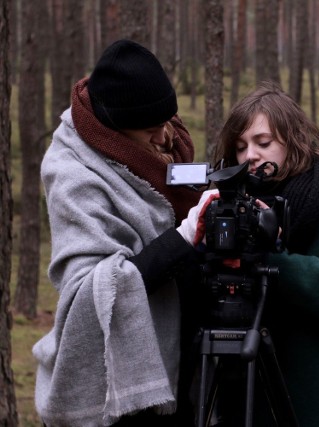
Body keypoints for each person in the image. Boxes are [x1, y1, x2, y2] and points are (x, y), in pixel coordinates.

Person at [32, 39, 214, 426]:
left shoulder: (156, 146)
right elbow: (89, 289)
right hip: (120, 383)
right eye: (151, 129)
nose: (167, 138)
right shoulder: (73, 173)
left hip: (184, 361)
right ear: (117, 127)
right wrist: (181, 238)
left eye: (169, 122)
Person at [210, 81, 319, 426]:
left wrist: (272, 262)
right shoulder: (228, 220)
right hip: (250, 402)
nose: (251, 156)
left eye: (263, 143)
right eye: (241, 147)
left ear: (296, 143)